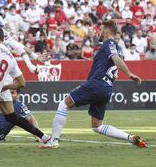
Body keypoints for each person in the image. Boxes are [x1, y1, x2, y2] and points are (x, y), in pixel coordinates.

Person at [41, 20, 147, 148]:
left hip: (97, 84)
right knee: (97, 126)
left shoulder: (109, 43)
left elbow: (116, 59)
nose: (99, 32)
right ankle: (130, 138)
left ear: (107, 31)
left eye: (101, 29)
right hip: (107, 88)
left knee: (64, 104)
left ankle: (54, 141)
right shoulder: (118, 48)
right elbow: (114, 66)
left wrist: (129, 74)